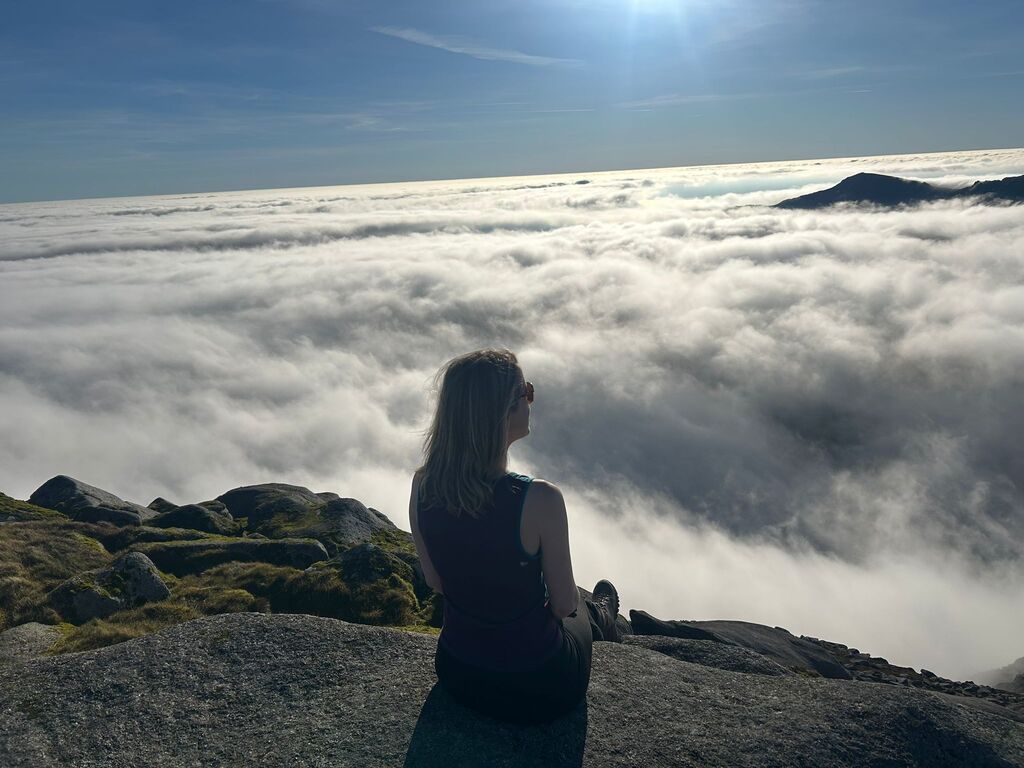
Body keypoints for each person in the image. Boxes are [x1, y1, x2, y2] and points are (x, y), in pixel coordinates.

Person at [408, 347, 626, 726]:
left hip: (458, 672)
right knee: (579, 604)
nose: (531, 399)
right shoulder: (539, 499)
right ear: (502, 411)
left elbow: (435, 581)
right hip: (541, 684)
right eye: (526, 392)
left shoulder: (423, 484)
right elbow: (562, 605)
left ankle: (599, 613)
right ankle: (603, 616)